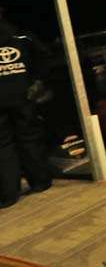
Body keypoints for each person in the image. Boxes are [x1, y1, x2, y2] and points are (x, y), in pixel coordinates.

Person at [0, 17, 52, 208]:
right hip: (24, 95)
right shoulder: (21, 35)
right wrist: (37, 79)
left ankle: (8, 195)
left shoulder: (21, 35)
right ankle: (40, 181)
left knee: (2, 146)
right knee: (29, 138)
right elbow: (44, 54)